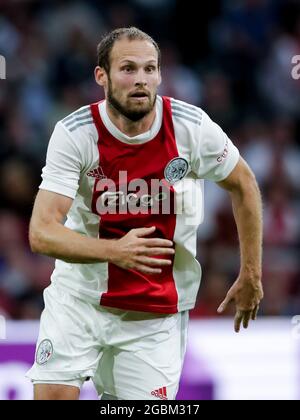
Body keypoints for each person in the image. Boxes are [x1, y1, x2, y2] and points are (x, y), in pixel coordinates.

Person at [26, 27, 263, 400]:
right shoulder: (75, 133)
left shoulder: (191, 127)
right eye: (128, 69)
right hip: (79, 300)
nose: (141, 80)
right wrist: (115, 251)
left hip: (156, 313)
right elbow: (42, 232)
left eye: (150, 69)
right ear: (101, 76)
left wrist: (251, 272)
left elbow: (244, 184)